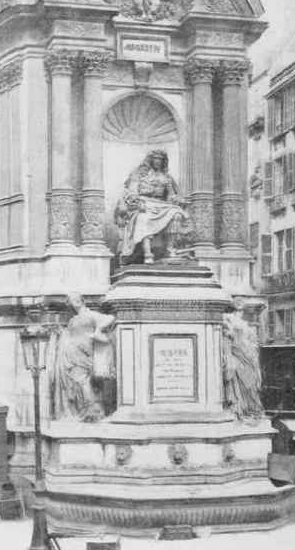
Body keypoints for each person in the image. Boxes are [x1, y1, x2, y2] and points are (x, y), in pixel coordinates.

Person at [114, 149, 190, 264]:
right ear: (150, 160)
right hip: (144, 203)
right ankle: (147, 253)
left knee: (177, 214)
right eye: (155, 158)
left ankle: (171, 250)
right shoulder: (139, 174)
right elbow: (132, 192)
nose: (158, 161)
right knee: (143, 218)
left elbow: (170, 195)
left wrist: (177, 199)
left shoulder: (167, 177)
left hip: (162, 205)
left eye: (160, 159)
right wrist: (137, 201)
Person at [48, 293, 115, 422]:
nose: (75, 301)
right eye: (72, 300)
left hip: (84, 352)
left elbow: (110, 318)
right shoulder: (73, 319)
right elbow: (69, 334)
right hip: (70, 353)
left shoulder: (90, 314)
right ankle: (82, 410)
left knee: (82, 380)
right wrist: (60, 332)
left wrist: (97, 332)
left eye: (77, 299)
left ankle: (93, 411)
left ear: (82, 300)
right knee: (76, 381)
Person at [222, 307, 263, 420]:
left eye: (240, 310)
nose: (239, 312)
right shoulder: (228, 321)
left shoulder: (243, 325)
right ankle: (242, 409)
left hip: (246, 356)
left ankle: (248, 409)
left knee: (249, 383)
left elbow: (252, 343)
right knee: (243, 383)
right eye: (237, 310)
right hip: (238, 356)